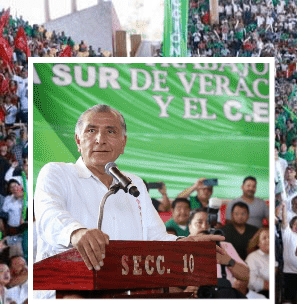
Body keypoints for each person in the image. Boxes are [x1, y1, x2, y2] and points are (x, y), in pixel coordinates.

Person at [33, 105, 205, 281]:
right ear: (78, 141)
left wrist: (182, 244)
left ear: (123, 143)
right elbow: (48, 215)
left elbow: (156, 237)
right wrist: (76, 232)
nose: (100, 139)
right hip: (66, 293)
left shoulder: (133, 184)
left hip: (125, 293)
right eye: (91, 130)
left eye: (111, 131)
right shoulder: (57, 173)